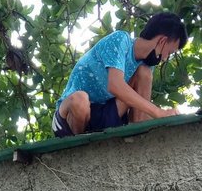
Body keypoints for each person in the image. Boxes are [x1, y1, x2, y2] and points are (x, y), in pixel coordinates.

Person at [52, 12, 188, 137]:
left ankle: (138, 138)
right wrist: (159, 112)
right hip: (72, 115)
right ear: (162, 41)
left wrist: (171, 117)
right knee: (80, 99)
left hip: (103, 115)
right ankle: (79, 145)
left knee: (144, 72)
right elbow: (115, 85)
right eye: (168, 53)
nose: (164, 58)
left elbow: (144, 110)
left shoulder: (146, 66)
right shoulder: (121, 40)